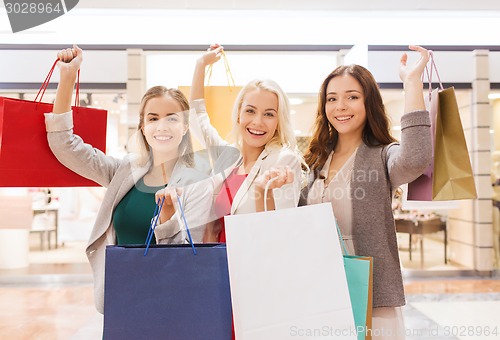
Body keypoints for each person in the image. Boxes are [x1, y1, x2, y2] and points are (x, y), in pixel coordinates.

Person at [45, 45, 213, 314]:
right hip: (121, 295)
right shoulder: (124, 172)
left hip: (173, 303)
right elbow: (65, 144)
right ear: (143, 127)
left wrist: (168, 218)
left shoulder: (199, 184)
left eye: (172, 118)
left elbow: (185, 256)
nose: (162, 126)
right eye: (153, 118)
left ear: (185, 127)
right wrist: (67, 77)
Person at [300, 45, 432, 339]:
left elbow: (416, 159)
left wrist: (411, 82)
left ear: (368, 102)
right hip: (320, 285)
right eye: (332, 99)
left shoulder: (382, 155)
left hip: (370, 288)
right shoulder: (316, 159)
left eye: (352, 97)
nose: (340, 106)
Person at [190, 44, 305, 242]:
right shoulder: (229, 158)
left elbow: (282, 230)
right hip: (216, 264)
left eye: (269, 114)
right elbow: (197, 119)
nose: (257, 122)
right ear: (238, 115)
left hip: (254, 267)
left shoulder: (284, 161)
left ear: (278, 122)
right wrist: (200, 64)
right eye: (250, 111)